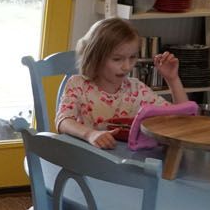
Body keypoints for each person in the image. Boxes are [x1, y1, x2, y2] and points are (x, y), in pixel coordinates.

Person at [55, 17, 187, 149]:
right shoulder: (78, 84)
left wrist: (173, 79)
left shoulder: (137, 89)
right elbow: (63, 121)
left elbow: (183, 119)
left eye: (132, 57)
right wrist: (90, 134)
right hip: (87, 157)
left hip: (125, 159)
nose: (127, 67)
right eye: (117, 59)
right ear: (95, 58)